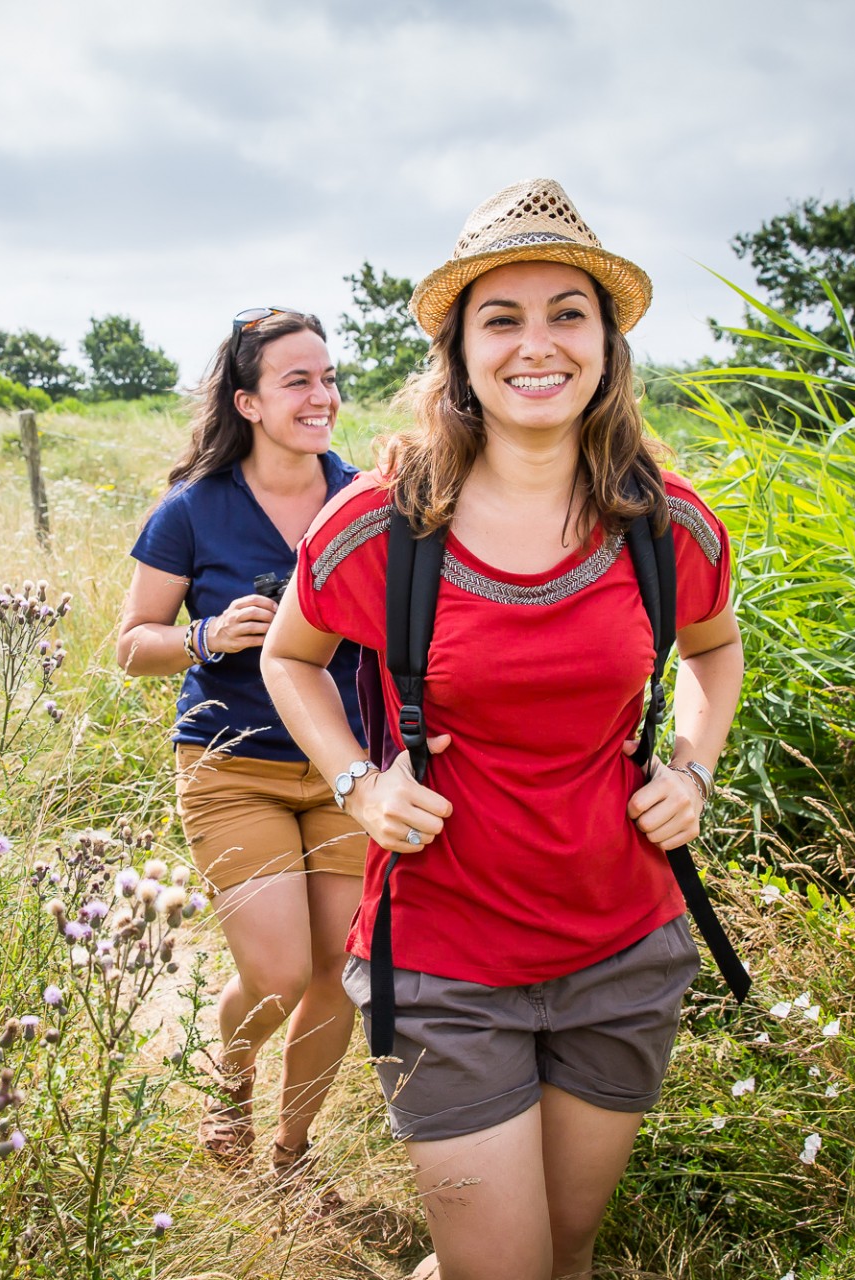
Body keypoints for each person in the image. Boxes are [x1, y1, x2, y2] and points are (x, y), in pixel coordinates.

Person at [260, 179, 744, 1280]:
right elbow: (290, 659)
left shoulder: (666, 522)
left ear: (608, 345)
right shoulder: (381, 520)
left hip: (623, 947)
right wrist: (355, 782)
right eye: (503, 317)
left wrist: (694, 768)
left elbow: (715, 650)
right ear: (459, 352)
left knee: (565, 1252)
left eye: (568, 312)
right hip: (443, 957)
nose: (540, 344)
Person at [115, 308, 369, 1176]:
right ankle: (231, 1079)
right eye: (297, 380)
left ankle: (292, 1154)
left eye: (328, 378)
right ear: (249, 402)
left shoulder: (369, 502)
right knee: (280, 972)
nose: (321, 395)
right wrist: (208, 636)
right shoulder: (193, 511)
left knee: (340, 968)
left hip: (350, 769)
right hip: (234, 767)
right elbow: (130, 645)